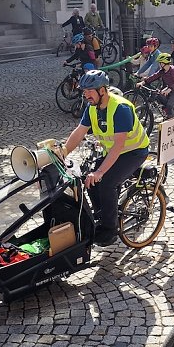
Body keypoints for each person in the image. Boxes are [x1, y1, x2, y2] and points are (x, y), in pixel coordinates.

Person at [64, 70, 150, 246]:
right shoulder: (92, 107)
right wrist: (63, 153)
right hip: (113, 152)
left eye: (90, 91)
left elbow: (119, 145)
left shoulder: (121, 108)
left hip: (134, 152)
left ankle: (110, 230)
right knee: (89, 180)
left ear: (102, 90)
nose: (86, 95)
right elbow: (79, 132)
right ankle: (103, 215)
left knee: (107, 182)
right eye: (84, 91)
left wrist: (100, 172)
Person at [137, 52, 174, 117]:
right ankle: (166, 110)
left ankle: (171, 118)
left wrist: (169, 90)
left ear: (163, 63)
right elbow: (154, 77)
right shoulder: (162, 71)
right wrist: (142, 82)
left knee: (169, 106)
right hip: (169, 87)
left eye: (159, 63)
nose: (159, 65)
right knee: (159, 96)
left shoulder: (173, 70)